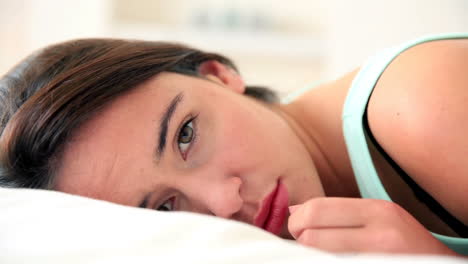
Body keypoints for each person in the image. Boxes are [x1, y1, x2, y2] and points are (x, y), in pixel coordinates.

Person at [0, 33, 467, 257]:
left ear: (219, 75)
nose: (223, 202)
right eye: (164, 208)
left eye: (186, 134)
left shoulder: (422, 104)